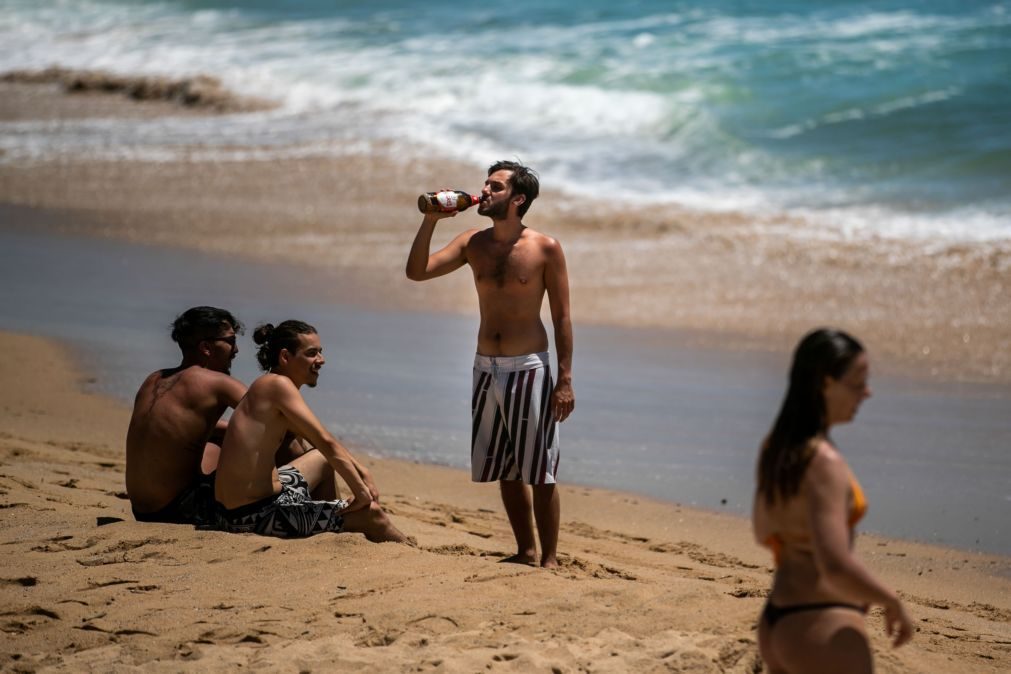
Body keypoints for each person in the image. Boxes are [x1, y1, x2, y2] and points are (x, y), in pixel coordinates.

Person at [406, 160, 574, 568]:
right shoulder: (472, 243)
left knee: (539, 468)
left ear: (518, 199)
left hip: (529, 368)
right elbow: (417, 272)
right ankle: (525, 550)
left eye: (495, 186)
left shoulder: (544, 248)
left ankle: (549, 559)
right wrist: (431, 220)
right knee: (506, 466)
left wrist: (564, 378)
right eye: (486, 183)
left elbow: (562, 316)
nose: (484, 190)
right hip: (486, 367)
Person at [752, 328, 913, 673]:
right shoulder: (825, 463)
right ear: (825, 383)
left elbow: (762, 530)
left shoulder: (777, 449)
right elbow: (835, 564)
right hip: (821, 625)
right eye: (857, 384)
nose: (866, 393)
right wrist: (890, 599)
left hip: (776, 622)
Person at [213, 320, 407, 542]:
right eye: (312, 353)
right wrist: (362, 494)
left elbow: (321, 443)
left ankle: (333, 525)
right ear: (285, 357)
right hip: (250, 517)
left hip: (247, 506)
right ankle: (406, 551)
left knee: (322, 459)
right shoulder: (277, 386)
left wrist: (363, 471)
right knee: (373, 515)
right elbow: (325, 441)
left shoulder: (268, 386)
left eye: (320, 352)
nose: (321, 360)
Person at [126, 306, 246, 525]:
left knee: (220, 440)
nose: (236, 350)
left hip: (142, 510)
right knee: (279, 441)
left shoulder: (153, 379)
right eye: (230, 341)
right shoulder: (217, 383)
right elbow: (274, 418)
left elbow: (178, 430)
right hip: (180, 511)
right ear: (206, 348)